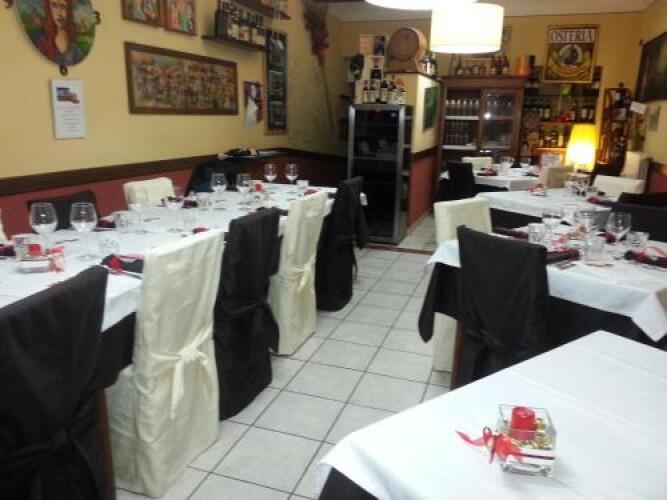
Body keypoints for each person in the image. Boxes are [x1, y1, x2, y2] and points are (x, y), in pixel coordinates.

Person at [39, 0, 85, 66]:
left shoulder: (75, 49)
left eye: (63, 6)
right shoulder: (39, 41)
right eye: (54, 5)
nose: (59, 13)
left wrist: (65, 53)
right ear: (48, 9)